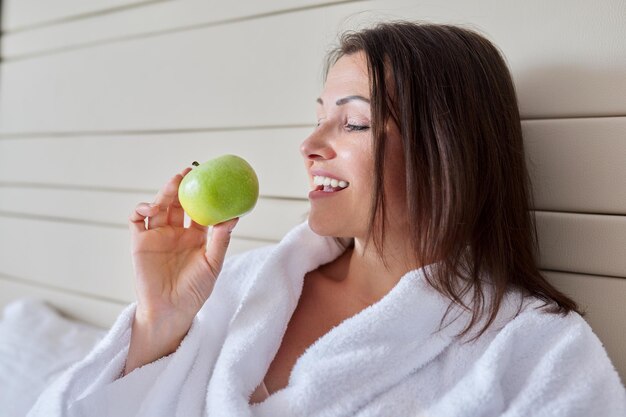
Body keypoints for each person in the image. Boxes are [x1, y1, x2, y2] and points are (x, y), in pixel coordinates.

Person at [29, 21, 625, 417]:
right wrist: (157, 326)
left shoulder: (538, 352)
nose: (309, 144)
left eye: (354, 122)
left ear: (447, 150)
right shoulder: (239, 289)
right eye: (318, 117)